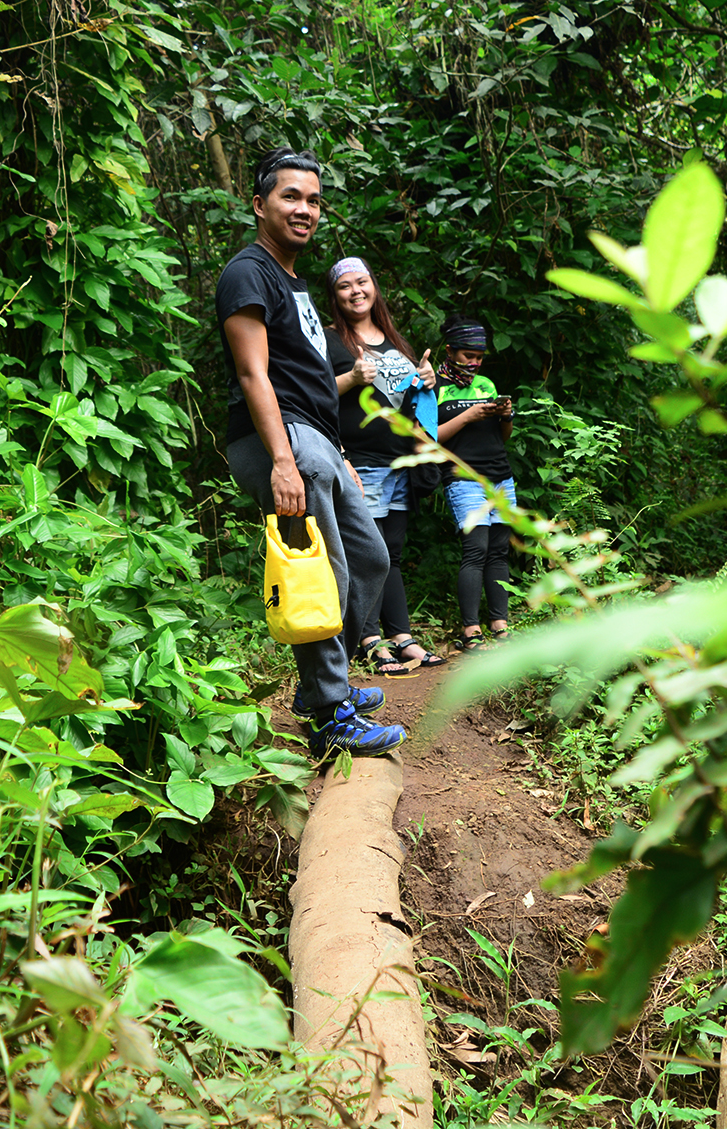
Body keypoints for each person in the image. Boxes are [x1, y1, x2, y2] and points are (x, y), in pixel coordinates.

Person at [217, 148, 406, 757]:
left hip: (318, 441)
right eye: (290, 197)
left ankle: (322, 685)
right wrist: (281, 460)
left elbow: (310, 380)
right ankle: (330, 712)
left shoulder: (292, 280)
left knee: (369, 558)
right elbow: (254, 376)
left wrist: (339, 451)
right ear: (259, 205)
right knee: (318, 574)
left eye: (314, 200)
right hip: (282, 441)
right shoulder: (248, 273)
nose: (305, 209)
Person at [326, 256, 448, 676]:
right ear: (335, 296)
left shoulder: (394, 341)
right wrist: (351, 380)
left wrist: (427, 379)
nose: (355, 291)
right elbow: (313, 395)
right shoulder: (330, 341)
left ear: (374, 287)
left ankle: (401, 635)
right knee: (370, 554)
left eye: (362, 282)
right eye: (345, 286)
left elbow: (409, 401)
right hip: (361, 462)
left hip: (400, 464)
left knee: (391, 552)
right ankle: (368, 638)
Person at [433, 315, 515, 652]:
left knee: (499, 550)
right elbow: (430, 438)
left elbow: (503, 436)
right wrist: (469, 415)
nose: (475, 363)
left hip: (500, 475)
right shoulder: (434, 387)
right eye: (469, 356)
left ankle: (500, 623)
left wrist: (505, 415)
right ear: (451, 351)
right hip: (463, 478)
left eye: (479, 357)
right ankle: (470, 629)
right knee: (476, 549)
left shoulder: (487, 385)